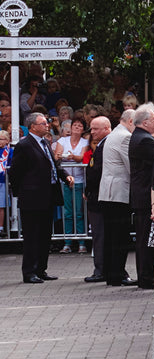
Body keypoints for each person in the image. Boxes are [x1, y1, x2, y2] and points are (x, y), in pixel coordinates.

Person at [9, 112, 75, 283]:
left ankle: (41, 269)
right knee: (32, 235)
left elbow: (54, 165)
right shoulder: (24, 145)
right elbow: (16, 172)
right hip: (32, 197)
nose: (47, 125)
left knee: (45, 235)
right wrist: (22, 192)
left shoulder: (45, 143)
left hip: (48, 195)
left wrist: (65, 175)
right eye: (43, 123)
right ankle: (29, 271)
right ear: (32, 126)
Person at [99, 109, 137, 287]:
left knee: (112, 235)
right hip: (118, 192)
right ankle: (118, 273)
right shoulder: (124, 137)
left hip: (109, 191)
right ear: (130, 121)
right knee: (120, 236)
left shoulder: (115, 133)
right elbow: (131, 166)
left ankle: (111, 272)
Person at [129, 103, 154, 289]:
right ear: (146, 122)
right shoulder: (145, 140)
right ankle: (146, 276)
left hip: (140, 193)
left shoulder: (140, 136)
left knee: (144, 237)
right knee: (146, 238)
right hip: (145, 194)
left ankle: (145, 275)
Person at [83, 117, 112, 282]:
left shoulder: (106, 145)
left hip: (99, 197)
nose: (92, 132)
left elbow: (97, 172)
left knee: (100, 235)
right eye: (91, 129)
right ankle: (102, 268)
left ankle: (100, 269)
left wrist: (89, 190)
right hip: (97, 196)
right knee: (100, 234)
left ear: (107, 128)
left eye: (95, 129)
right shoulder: (101, 145)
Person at [55, 117, 88, 254]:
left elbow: (82, 157)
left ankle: (81, 242)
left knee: (79, 212)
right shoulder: (62, 140)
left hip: (79, 179)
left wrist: (72, 157)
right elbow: (56, 156)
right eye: (75, 125)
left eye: (80, 126)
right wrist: (65, 156)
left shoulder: (85, 142)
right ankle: (67, 242)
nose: (77, 128)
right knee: (67, 212)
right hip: (66, 180)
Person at [0, 130, 13, 238]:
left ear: (7, 141)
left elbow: (11, 163)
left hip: (3, 181)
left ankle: (1, 228)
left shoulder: (10, 151)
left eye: (2, 139)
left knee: (1, 206)